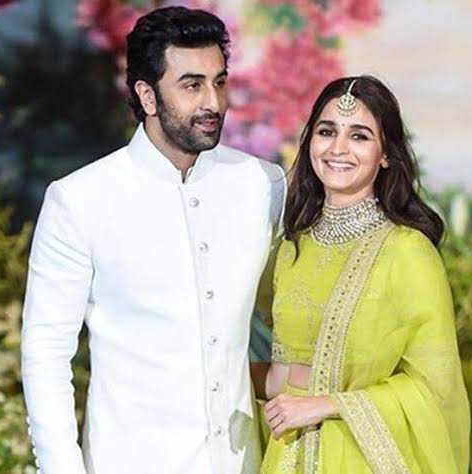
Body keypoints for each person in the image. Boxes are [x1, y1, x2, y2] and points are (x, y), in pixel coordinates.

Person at [21, 6, 285, 474]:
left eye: (219, 82)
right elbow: (46, 352)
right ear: (147, 95)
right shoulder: (80, 200)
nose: (213, 102)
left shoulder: (262, 184)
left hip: (239, 462)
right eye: (192, 85)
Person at [255, 76, 470, 473]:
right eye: (326, 131)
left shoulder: (406, 251)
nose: (338, 148)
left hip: (357, 454)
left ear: (385, 154)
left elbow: (437, 388)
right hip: (285, 451)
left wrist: (327, 404)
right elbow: (279, 371)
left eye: (359, 136)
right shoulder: (290, 247)